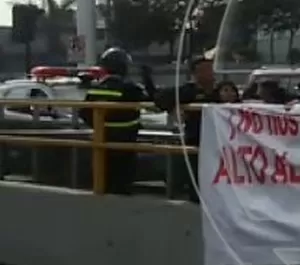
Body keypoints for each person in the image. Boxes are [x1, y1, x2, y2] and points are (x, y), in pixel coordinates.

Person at [79, 48, 150, 195]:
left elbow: (84, 113)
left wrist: (101, 127)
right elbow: (153, 102)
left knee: (102, 184)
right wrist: (148, 78)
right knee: (122, 186)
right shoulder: (130, 89)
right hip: (125, 145)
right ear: (123, 67)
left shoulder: (94, 89)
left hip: (102, 143)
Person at [154, 56, 219, 202]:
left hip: (219, 142)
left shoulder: (221, 92)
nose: (211, 73)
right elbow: (160, 98)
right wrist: (174, 108)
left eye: (211, 68)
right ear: (195, 74)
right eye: (206, 69)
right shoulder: (188, 92)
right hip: (197, 140)